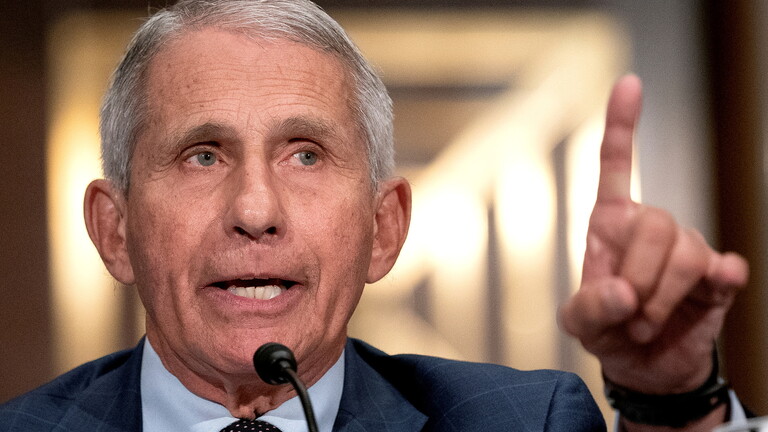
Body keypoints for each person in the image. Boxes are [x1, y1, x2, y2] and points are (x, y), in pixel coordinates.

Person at [0, 0, 749, 431]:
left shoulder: (522, 422)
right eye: (203, 156)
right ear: (115, 230)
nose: (255, 210)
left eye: (305, 155)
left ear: (384, 229)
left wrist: (674, 401)